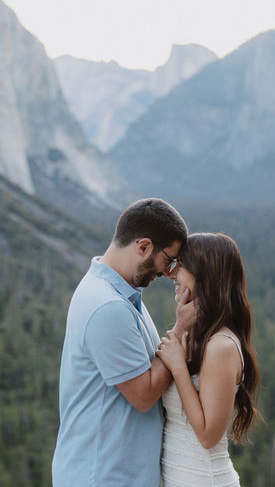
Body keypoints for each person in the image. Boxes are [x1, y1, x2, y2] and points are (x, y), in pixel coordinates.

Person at [52, 198, 195, 487]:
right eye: (169, 259)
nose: (169, 272)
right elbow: (143, 395)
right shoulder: (108, 306)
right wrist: (181, 329)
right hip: (103, 475)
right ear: (143, 246)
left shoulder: (115, 293)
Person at [157, 232, 261, 487]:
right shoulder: (198, 338)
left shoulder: (221, 346)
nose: (172, 274)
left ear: (204, 274)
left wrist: (180, 368)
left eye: (181, 265)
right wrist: (181, 326)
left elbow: (208, 436)